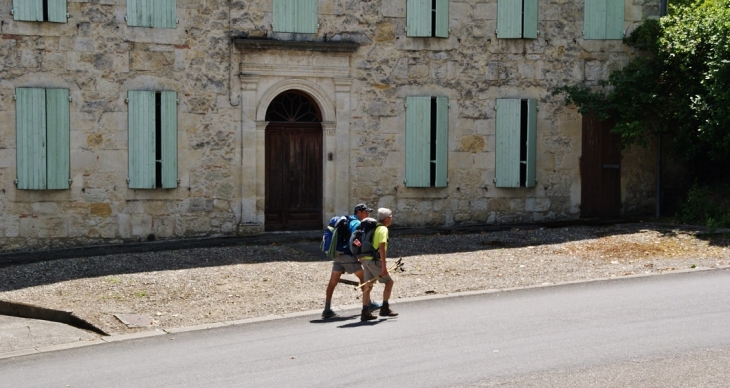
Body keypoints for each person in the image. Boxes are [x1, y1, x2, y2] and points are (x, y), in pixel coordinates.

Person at [321, 204, 382, 319]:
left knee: (333, 282)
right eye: (366, 212)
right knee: (365, 280)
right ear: (359, 212)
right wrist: (359, 254)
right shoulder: (356, 223)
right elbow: (356, 239)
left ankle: (327, 309)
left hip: (338, 255)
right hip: (348, 256)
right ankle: (368, 304)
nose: (368, 214)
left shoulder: (347, 219)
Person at [360, 207, 398, 321]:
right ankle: (384, 308)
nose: (391, 219)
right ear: (386, 219)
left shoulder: (374, 228)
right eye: (390, 217)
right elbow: (381, 248)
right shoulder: (383, 230)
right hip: (374, 261)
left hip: (366, 260)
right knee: (389, 282)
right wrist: (384, 267)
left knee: (368, 285)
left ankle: (365, 311)